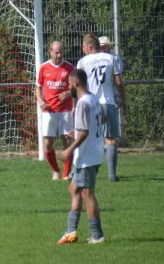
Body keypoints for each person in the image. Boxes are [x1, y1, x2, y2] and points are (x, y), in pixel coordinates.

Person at [57, 68, 105, 244]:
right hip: (95, 151)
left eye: (69, 83)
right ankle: (71, 232)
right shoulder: (93, 98)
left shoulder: (83, 103)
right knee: (74, 189)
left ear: (76, 82)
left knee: (87, 193)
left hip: (87, 156)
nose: (68, 86)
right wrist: (76, 130)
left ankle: (97, 235)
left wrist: (69, 149)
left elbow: (84, 132)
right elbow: (103, 119)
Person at [77, 34, 126, 182]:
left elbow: (79, 85)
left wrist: (77, 104)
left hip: (90, 103)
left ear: (90, 46)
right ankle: (112, 175)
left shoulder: (83, 62)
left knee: (85, 136)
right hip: (108, 102)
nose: (83, 49)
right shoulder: (111, 58)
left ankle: (78, 172)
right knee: (110, 139)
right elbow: (118, 82)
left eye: (84, 46)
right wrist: (124, 99)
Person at [36, 41, 74, 181]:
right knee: (48, 143)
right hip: (49, 110)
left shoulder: (69, 67)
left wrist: (70, 92)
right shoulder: (44, 67)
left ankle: (66, 173)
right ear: (50, 52)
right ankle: (55, 170)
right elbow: (38, 87)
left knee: (67, 140)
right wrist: (40, 101)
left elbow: (76, 87)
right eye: (56, 52)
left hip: (65, 109)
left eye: (61, 52)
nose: (59, 55)